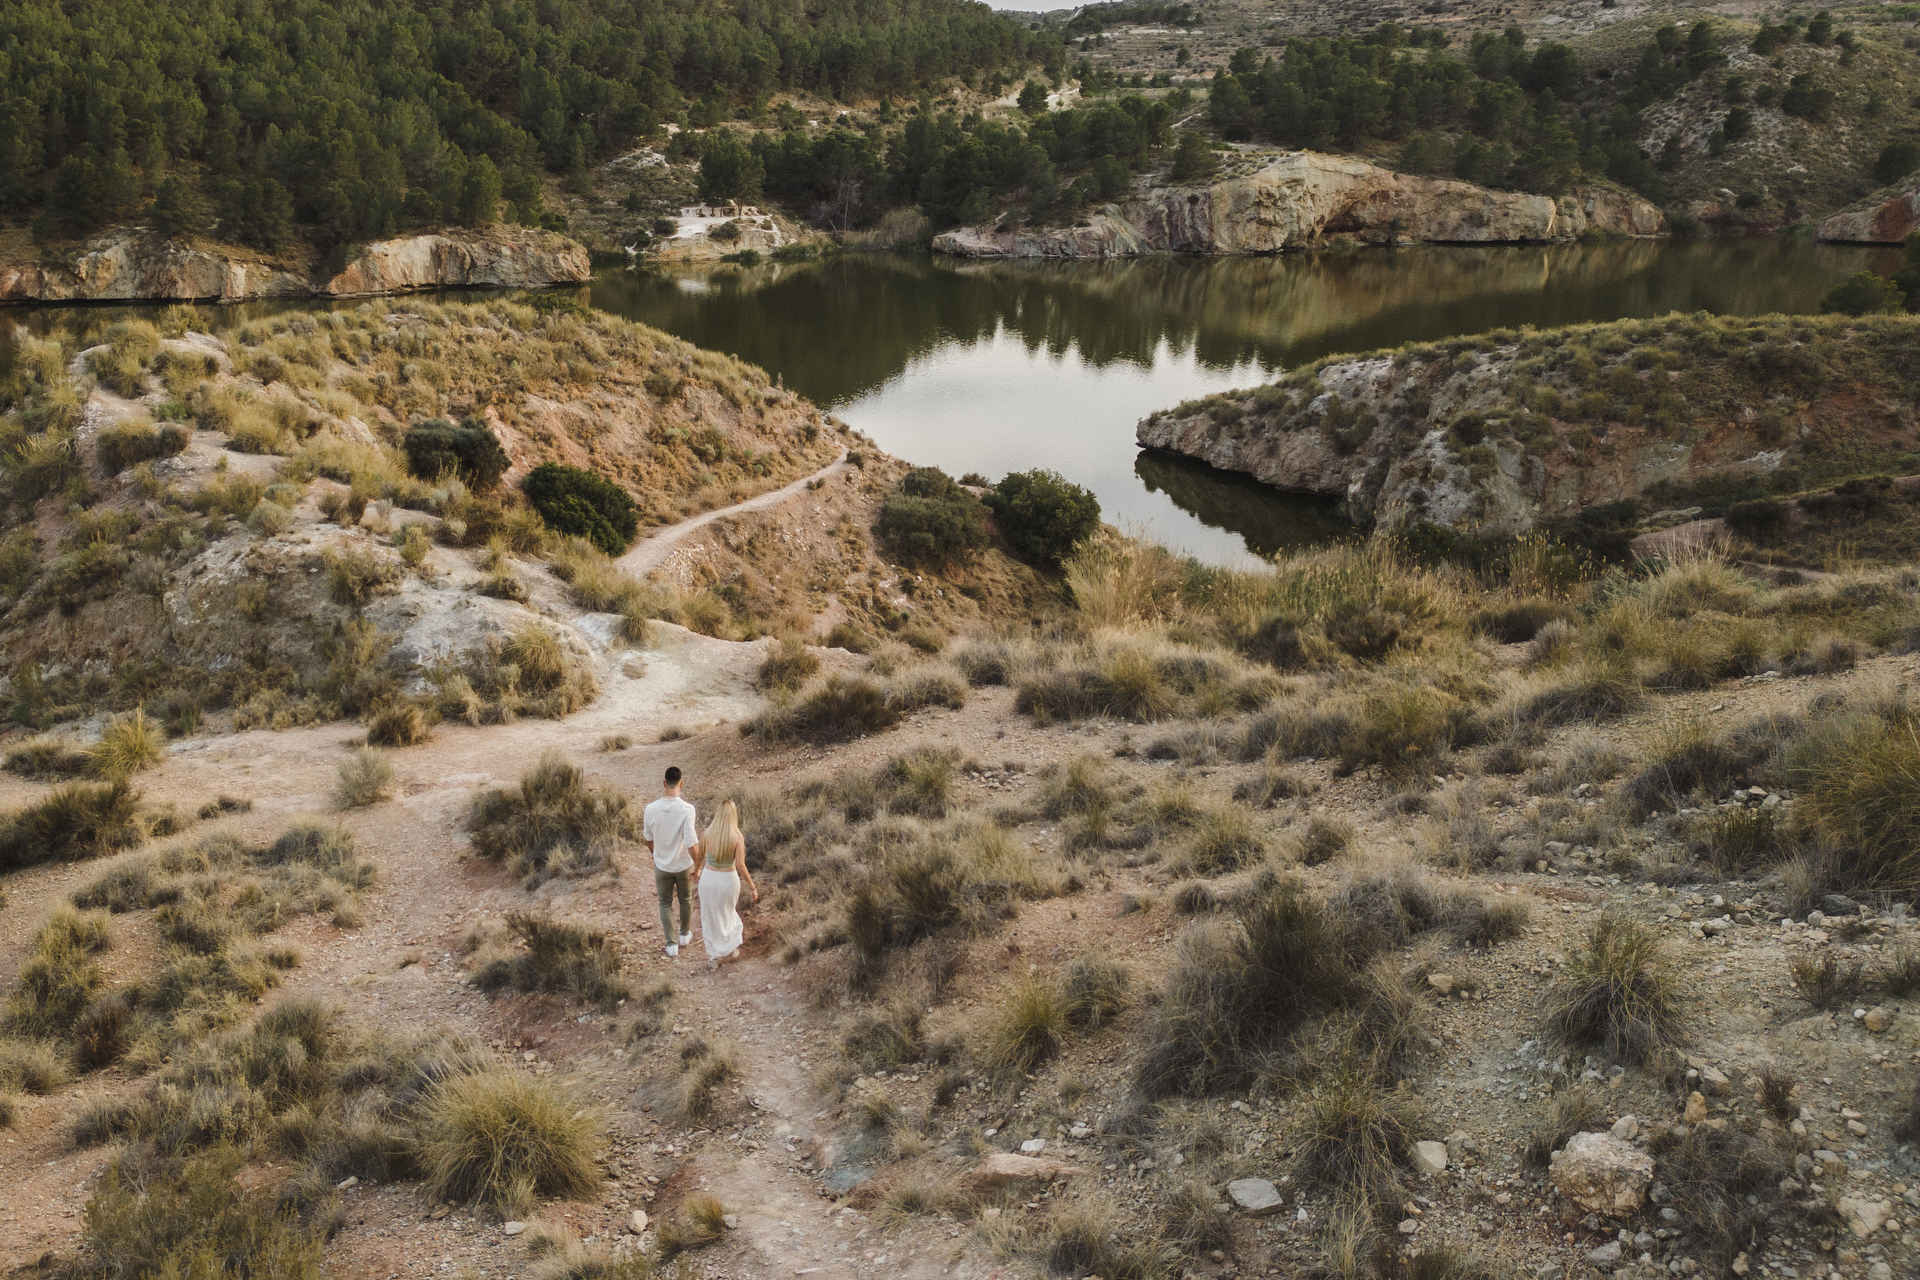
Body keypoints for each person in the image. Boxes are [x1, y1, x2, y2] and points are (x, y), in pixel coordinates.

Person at [642, 766, 700, 959]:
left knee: (665, 903)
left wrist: (655, 853)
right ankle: (684, 934)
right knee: (685, 899)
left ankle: (671, 944)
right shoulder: (687, 809)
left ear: (664, 783)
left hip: (662, 864)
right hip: (683, 864)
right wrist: (698, 864)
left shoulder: (650, 809)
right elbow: (691, 841)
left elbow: (648, 838)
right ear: (681, 783)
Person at [695, 799, 758, 971]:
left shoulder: (707, 833)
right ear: (733, 815)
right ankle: (731, 947)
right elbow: (740, 865)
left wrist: (696, 871)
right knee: (727, 913)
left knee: (709, 917)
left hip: (708, 880)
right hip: (728, 880)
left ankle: (713, 957)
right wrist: (752, 886)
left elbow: (699, 856)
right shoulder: (737, 836)